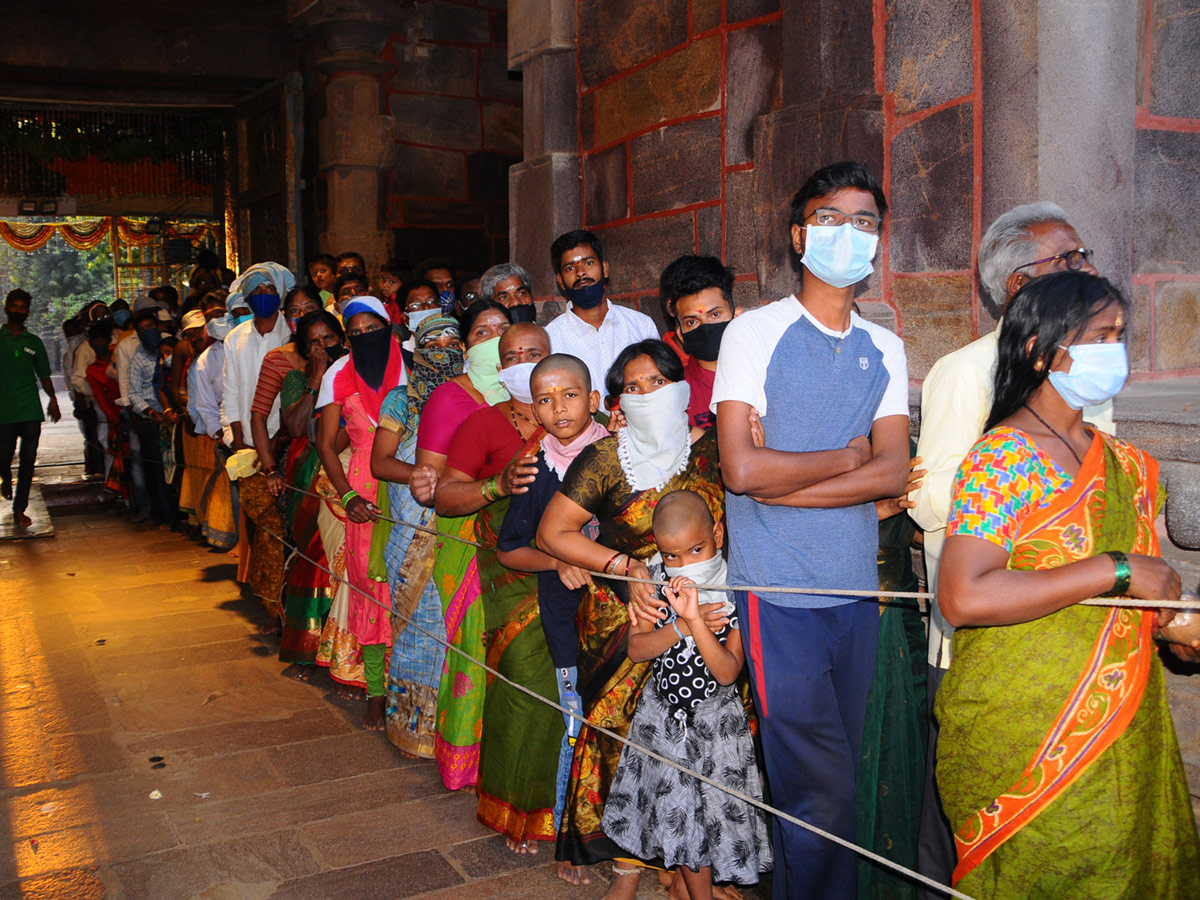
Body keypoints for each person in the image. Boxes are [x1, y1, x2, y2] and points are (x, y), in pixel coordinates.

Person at [935, 270, 1200, 898]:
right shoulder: (1002, 461)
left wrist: (1179, 630)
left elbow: (1147, 595)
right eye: (1099, 336)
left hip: (1122, 731)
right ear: (1037, 348)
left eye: (1120, 335)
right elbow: (963, 596)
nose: (1117, 351)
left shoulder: (1129, 465)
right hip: (1022, 730)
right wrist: (1116, 568)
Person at [713, 161, 910, 900]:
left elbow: (892, 473)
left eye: (865, 222)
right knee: (815, 786)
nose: (848, 234)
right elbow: (740, 470)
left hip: (853, 588)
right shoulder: (755, 333)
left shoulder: (883, 348)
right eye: (831, 218)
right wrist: (844, 457)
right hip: (778, 591)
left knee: (839, 775)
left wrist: (789, 477)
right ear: (799, 235)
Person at [908, 201, 1107, 894]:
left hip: (1072, 632)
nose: (1086, 270)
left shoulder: (1084, 370)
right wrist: (1018, 491)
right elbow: (931, 500)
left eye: (1085, 257)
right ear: (1019, 285)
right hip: (982, 635)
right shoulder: (968, 373)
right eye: (1069, 260)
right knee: (968, 806)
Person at [537, 338, 724, 894]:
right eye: (632, 387)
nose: (645, 395)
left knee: (696, 746)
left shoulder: (715, 449)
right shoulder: (605, 458)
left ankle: (687, 865)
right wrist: (625, 566)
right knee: (624, 742)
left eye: (656, 383)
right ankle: (627, 867)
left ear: (682, 385)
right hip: (626, 617)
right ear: (616, 400)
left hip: (706, 619)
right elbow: (553, 533)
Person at [602, 490, 772, 899]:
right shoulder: (655, 583)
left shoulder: (735, 587)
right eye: (673, 555)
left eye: (697, 549)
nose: (685, 564)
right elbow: (637, 649)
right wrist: (678, 625)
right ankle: (692, 890)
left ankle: (686, 885)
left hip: (716, 727)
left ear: (717, 532)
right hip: (664, 722)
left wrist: (697, 621)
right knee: (684, 817)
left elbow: (728, 671)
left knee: (712, 814)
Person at [433, 323, 556, 850]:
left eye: (534, 353)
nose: (522, 362)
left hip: (584, 571)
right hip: (512, 576)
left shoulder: (589, 420)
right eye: (511, 356)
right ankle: (517, 811)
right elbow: (444, 497)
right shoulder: (483, 424)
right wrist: (497, 485)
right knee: (527, 685)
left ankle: (575, 809)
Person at [495, 353, 609, 842]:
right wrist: (559, 560)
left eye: (571, 395)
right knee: (576, 723)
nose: (560, 408)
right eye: (546, 400)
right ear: (534, 411)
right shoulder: (535, 470)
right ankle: (570, 838)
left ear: (595, 400)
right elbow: (509, 551)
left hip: (624, 618)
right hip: (566, 621)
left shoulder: (621, 454)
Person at [406, 298, 512, 790]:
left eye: (503, 328)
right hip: (466, 530)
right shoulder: (451, 397)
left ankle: (505, 753)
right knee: (472, 642)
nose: (493, 337)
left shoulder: (537, 394)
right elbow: (430, 477)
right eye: (481, 330)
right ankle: (464, 761)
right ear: (469, 345)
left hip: (522, 539)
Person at [370, 313, 465, 758]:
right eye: (434, 341)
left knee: (457, 627)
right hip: (412, 526)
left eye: (453, 339)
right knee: (418, 626)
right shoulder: (401, 400)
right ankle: (411, 731)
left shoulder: (473, 394)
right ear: (417, 350)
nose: (444, 347)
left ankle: (454, 733)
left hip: (458, 528)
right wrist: (426, 476)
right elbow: (380, 462)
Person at [316, 296, 406, 730]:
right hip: (362, 491)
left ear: (389, 327)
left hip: (407, 484)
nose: (365, 337)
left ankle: (410, 688)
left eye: (374, 329)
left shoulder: (410, 365)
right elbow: (326, 442)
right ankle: (375, 691)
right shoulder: (337, 374)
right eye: (356, 333)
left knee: (410, 587)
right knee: (371, 591)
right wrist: (347, 496)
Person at [221, 263, 296, 622]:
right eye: (256, 292)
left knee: (291, 528)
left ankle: (294, 606)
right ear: (246, 298)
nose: (263, 297)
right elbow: (232, 390)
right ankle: (269, 604)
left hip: (292, 443)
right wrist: (238, 440)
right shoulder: (235, 338)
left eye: (269, 291)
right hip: (252, 443)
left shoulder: (292, 333)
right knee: (264, 529)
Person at [274, 310, 344, 681]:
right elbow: (296, 424)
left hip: (346, 466)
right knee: (312, 555)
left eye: (328, 340)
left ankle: (342, 654)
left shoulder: (353, 371)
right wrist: (317, 378)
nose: (322, 348)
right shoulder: (295, 379)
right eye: (313, 343)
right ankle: (306, 647)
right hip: (307, 469)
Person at [544, 229, 659, 403]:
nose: (580, 273)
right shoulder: (551, 338)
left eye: (588, 263)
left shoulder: (641, 325)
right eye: (570, 268)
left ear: (605, 268)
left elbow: (661, 384)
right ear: (560, 280)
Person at [0, 289, 60, 528]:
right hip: (4, 410)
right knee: (3, 456)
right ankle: (5, 478)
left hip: (30, 409)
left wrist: (53, 399)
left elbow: (44, 374)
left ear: (27, 312)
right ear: (6, 309)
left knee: (28, 460)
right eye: (13, 306)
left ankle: (20, 509)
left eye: (22, 307)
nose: (18, 311)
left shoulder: (33, 342)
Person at [659, 255, 741, 428]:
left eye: (715, 315)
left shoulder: (765, 371)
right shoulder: (676, 394)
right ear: (681, 334)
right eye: (692, 322)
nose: (706, 327)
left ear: (736, 315)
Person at [188, 291, 239, 550]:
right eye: (210, 318)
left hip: (264, 432)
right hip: (229, 440)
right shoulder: (207, 360)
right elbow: (205, 405)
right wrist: (222, 435)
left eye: (221, 314)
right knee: (237, 498)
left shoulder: (248, 342)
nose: (216, 320)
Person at [127, 307, 177, 527]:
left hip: (174, 416)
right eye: (142, 329)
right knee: (158, 470)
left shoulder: (171, 346)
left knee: (176, 469)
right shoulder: (138, 358)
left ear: (158, 326)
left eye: (150, 327)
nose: (148, 332)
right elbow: (134, 393)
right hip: (153, 419)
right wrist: (150, 412)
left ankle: (180, 513)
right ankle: (165, 514)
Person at [84, 320, 129, 502]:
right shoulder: (92, 370)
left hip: (131, 409)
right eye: (95, 340)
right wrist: (114, 419)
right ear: (91, 343)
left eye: (103, 339)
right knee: (116, 456)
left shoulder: (118, 354)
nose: (99, 344)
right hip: (114, 416)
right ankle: (123, 499)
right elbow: (101, 398)